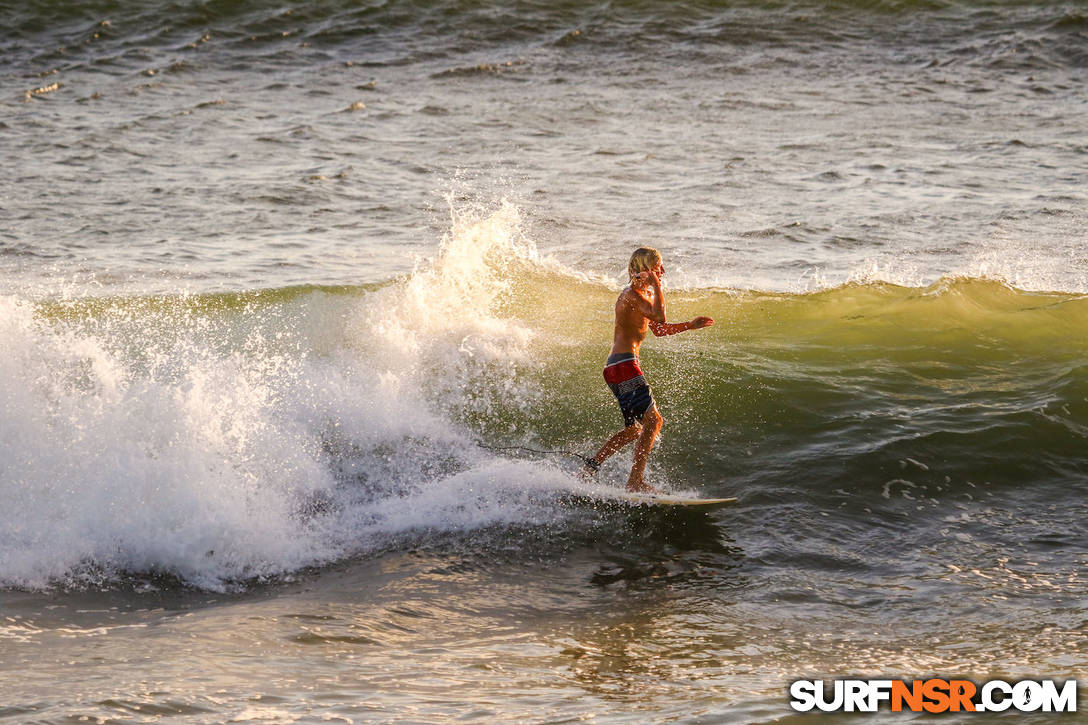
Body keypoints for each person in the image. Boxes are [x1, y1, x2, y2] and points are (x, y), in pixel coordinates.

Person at [582, 247, 713, 492]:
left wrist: (688, 326)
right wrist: (657, 285)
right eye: (658, 267)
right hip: (624, 366)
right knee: (654, 422)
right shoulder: (631, 294)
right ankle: (635, 482)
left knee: (635, 429)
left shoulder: (641, 296)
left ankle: (589, 470)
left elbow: (659, 329)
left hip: (616, 367)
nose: (662, 271)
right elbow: (660, 317)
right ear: (645, 269)